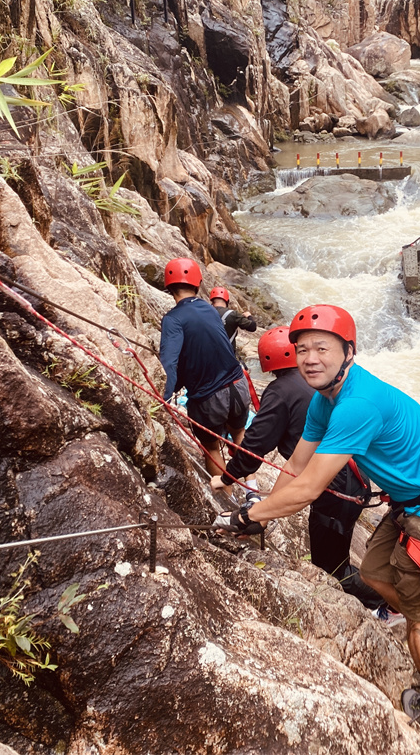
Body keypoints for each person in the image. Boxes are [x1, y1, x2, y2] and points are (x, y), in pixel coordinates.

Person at [214, 304, 420, 733]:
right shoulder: (324, 400)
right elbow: (296, 468)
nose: (309, 358)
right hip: (414, 504)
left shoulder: (357, 403)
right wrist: (262, 517)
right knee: (374, 573)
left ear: (348, 352)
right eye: (301, 350)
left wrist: (247, 517)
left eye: (321, 348)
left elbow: (310, 488)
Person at [211, 326, 384, 611]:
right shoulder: (317, 386)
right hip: (349, 477)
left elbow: (255, 444)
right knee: (331, 557)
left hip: (334, 487)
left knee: (332, 568)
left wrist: (228, 477)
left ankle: (384, 603)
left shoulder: (280, 392)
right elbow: (293, 463)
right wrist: (264, 514)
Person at [159, 258, 250, 477]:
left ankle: (226, 501)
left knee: (211, 448)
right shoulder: (210, 310)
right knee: (238, 434)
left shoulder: (173, 320)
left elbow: (169, 362)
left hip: (209, 398)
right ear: (198, 285)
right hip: (239, 385)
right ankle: (252, 489)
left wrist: (164, 397)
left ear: (169, 288)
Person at [209, 286, 257, 354]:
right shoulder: (233, 314)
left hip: (207, 355)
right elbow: (252, 327)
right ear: (227, 301)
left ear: (212, 302)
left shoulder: (205, 313)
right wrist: (249, 316)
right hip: (227, 355)